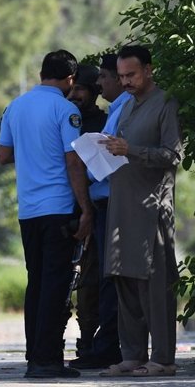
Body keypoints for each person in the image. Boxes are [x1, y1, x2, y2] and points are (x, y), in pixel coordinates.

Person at [0, 49, 93, 379]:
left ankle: (34, 353)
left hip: (28, 210)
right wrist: (86, 208)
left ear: (41, 73)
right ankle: (47, 359)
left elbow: (2, 154)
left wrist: (31, 149)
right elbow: (73, 161)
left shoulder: (15, 107)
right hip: (58, 208)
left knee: (36, 282)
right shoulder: (65, 110)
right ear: (69, 79)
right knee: (56, 284)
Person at [98, 45, 182, 377]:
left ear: (148, 69)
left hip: (151, 208)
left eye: (131, 75)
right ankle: (132, 355)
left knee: (154, 284)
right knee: (125, 280)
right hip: (122, 205)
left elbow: (172, 156)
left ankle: (163, 359)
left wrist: (131, 150)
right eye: (121, 77)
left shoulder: (165, 103)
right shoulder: (129, 106)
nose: (126, 82)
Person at [68, 53, 130, 369]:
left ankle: (106, 345)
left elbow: (108, 162)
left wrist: (85, 168)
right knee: (94, 280)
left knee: (106, 276)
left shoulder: (118, 111)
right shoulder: (68, 115)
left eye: (97, 82)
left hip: (106, 202)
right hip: (86, 204)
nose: (77, 94)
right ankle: (96, 342)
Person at [66, 64, 107, 358]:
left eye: (81, 89)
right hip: (61, 206)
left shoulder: (103, 123)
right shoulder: (64, 117)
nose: (75, 94)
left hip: (93, 207)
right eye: (73, 88)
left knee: (92, 277)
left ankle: (89, 338)